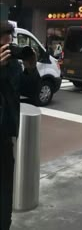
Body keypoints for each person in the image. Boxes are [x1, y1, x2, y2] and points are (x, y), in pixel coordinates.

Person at [0, 21, 41, 230]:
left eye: (10, 41)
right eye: (4, 41)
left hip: (5, 139)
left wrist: (31, 68)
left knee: (5, 196)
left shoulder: (14, 65)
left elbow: (32, 92)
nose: (8, 46)